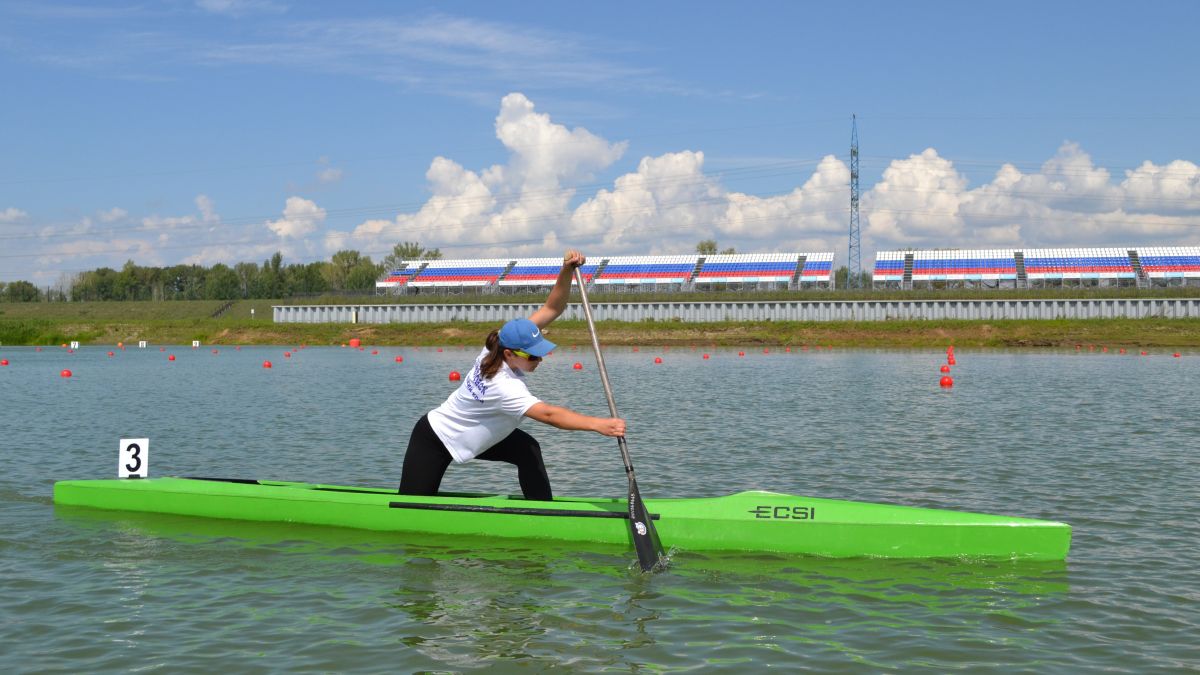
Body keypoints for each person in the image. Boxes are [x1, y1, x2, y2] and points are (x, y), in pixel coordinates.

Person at [398, 249, 626, 501]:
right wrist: (599, 425)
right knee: (410, 506)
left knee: (527, 450)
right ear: (509, 354)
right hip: (435, 438)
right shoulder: (504, 386)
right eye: (532, 356)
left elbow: (552, 307)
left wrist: (566, 270)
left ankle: (543, 513)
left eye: (540, 353)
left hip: (473, 431)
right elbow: (550, 415)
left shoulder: (497, 344)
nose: (539, 360)